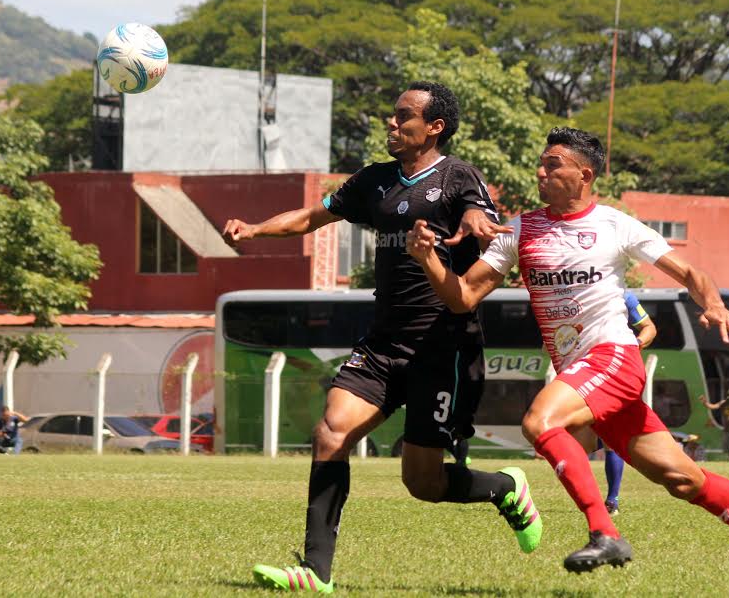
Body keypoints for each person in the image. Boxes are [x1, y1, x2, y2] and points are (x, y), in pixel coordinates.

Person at [406, 127, 729, 596]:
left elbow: (690, 272)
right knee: (684, 480)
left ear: (583, 174)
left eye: (552, 165)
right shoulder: (520, 230)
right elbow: (463, 297)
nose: (540, 172)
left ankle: (604, 533)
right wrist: (428, 259)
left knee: (540, 421)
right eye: (541, 164)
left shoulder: (614, 224)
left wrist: (711, 302)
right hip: (584, 377)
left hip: (613, 357)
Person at [224, 82, 543, 593]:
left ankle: (505, 488)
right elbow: (313, 216)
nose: (391, 125)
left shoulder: (459, 175)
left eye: (403, 117)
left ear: (434, 127)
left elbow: (477, 213)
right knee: (331, 432)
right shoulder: (374, 181)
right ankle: (315, 573)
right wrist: (255, 229)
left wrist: (476, 217)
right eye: (391, 117)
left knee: (423, 483)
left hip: (443, 349)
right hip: (383, 343)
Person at [603, 291, 657, 516]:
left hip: (616, 370)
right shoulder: (571, 290)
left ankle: (611, 499)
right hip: (581, 369)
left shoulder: (624, 295)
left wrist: (634, 344)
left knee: (610, 439)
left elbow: (649, 328)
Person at [698, 389, 729, 460]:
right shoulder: (724, 403)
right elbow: (713, 406)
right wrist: (705, 402)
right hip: (727, 429)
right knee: (726, 447)